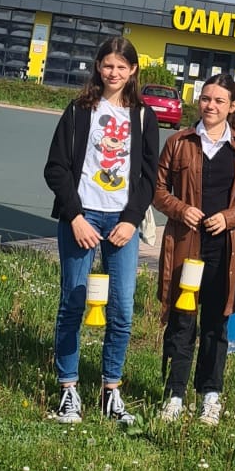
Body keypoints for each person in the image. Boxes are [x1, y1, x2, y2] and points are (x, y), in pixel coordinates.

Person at [44, 36, 159, 426]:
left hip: (121, 222)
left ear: (133, 71)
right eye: (108, 65)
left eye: (121, 67)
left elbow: (149, 177)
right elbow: (56, 167)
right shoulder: (79, 111)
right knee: (72, 304)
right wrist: (75, 216)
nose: (114, 72)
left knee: (122, 308)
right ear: (98, 66)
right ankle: (68, 390)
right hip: (82, 219)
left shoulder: (143, 116)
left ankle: (112, 390)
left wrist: (130, 219)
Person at [153, 72, 235, 424]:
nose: (210, 106)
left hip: (224, 250)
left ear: (232, 107)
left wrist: (229, 218)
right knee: (182, 321)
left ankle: (210, 395)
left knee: (216, 324)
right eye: (205, 98)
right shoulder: (179, 142)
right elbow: (157, 189)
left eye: (218, 100)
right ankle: (174, 394)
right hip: (187, 246)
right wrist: (180, 209)